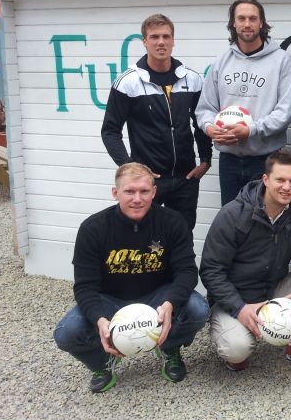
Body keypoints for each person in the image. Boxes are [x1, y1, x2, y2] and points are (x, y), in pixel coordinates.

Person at [53, 163, 209, 392]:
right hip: (110, 300)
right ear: (115, 193)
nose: (137, 199)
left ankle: (169, 347)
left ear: (154, 192)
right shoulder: (92, 228)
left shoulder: (172, 222)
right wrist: (99, 320)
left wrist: (170, 304)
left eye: (144, 191)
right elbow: (85, 287)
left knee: (198, 309)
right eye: (129, 191)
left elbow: (187, 271)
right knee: (66, 333)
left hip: (158, 297)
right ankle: (103, 362)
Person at [199, 149, 291, 372]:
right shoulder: (233, 214)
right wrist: (239, 308)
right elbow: (211, 271)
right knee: (237, 349)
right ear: (266, 179)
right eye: (280, 180)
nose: (287, 187)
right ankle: (235, 331)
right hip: (237, 297)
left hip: (275, 289)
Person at [101, 14, 212, 230]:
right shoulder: (128, 82)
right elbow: (110, 131)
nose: (161, 42)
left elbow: (200, 122)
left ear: (173, 40)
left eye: (166, 36)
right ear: (145, 41)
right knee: (143, 237)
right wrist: (130, 167)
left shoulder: (191, 78)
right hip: (148, 179)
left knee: (182, 236)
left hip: (185, 178)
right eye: (154, 37)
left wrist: (205, 160)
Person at [196, 0, 291, 205]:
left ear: (261, 23)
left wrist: (251, 130)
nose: (247, 24)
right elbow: (205, 108)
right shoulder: (221, 62)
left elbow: (285, 112)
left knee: (266, 217)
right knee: (231, 219)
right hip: (229, 161)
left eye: (253, 18)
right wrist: (210, 128)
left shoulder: (281, 60)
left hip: (266, 160)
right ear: (233, 23)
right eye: (241, 18)